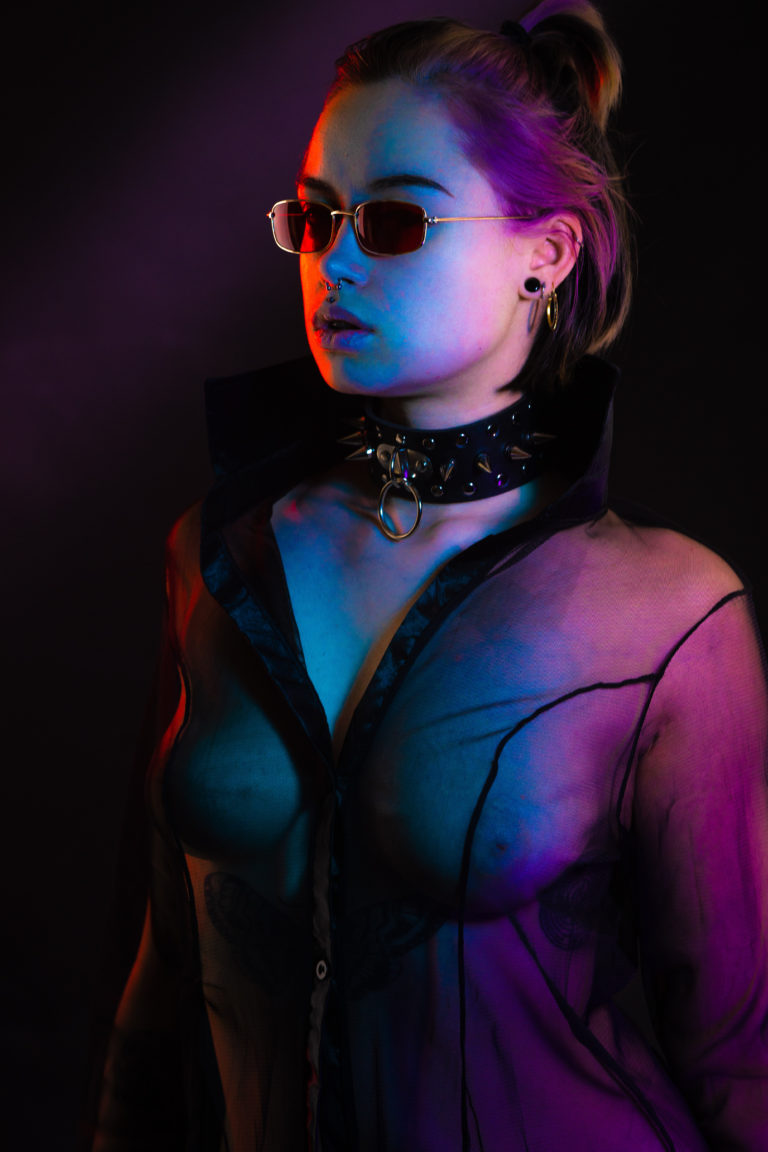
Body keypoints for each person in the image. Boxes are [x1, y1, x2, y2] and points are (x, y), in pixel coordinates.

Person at [92, 3, 768, 1150]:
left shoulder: (670, 614)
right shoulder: (215, 557)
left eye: (396, 219)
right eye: (315, 218)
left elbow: (743, 1058)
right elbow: (156, 990)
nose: (337, 260)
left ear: (547, 255)